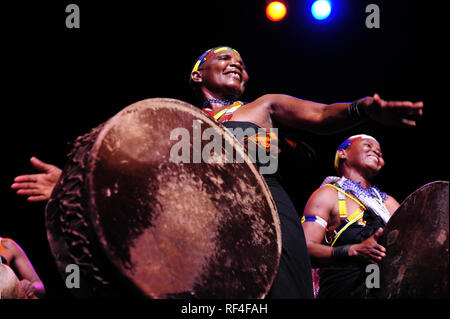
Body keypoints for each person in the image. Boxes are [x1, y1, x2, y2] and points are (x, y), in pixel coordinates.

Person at [11, 46, 423, 298]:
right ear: (198, 73)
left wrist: (362, 109)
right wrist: (73, 185)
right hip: (200, 230)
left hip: (270, 218)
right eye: (225, 58)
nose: (238, 66)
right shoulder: (174, 122)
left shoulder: (262, 107)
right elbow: (137, 182)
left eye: (242, 63)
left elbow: (319, 114)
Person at [301, 134, 399, 298]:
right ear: (342, 153)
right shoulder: (328, 195)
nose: (376, 152)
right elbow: (304, 249)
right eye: (368, 145)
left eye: (380, 152)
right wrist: (352, 250)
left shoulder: (388, 204)